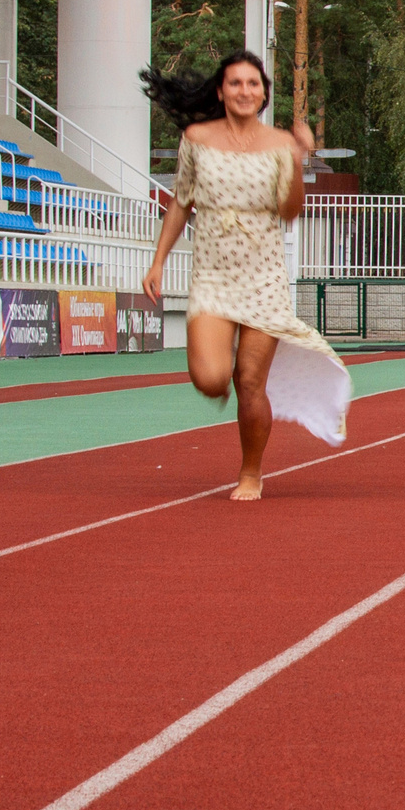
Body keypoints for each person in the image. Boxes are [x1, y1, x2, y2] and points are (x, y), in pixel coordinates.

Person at [140, 51, 351, 499]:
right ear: (221, 90)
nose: (244, 91)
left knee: (249, 381)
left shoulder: (277, 144)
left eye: (253, 84)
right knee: (211, 379)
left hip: (264, 279)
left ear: (264, 94)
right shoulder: (196, 137)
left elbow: (291, 211)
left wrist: (297, 160)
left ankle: (251, 473)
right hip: (213, 277)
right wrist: (158, 260)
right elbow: (180, 201)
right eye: (235, 83)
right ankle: (219, 374)